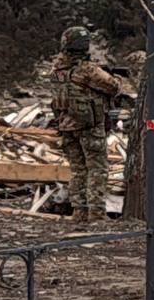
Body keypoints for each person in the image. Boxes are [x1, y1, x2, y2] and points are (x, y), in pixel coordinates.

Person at [49, 26, 137, 222]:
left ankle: (79, 212)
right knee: (97, 169)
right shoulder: (87, 70)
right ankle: (96, 214)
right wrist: (117, 78)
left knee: (78, 170)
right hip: (89, 127)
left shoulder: (57, 70)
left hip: (66, 126)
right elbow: (114, 87)